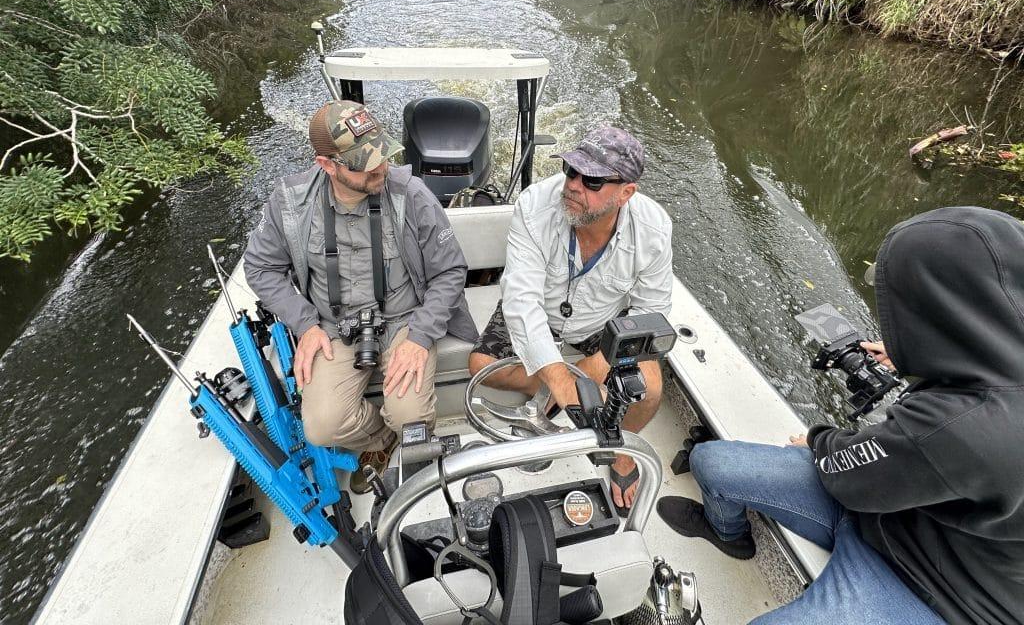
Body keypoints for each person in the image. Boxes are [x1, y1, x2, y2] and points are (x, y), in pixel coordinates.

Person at [658, 206, 1024, 625]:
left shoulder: (963, 428)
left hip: (938, 587)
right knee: (712, 462)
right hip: (892, 508)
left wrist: (818, 441)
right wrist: (915, 354)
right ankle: (731, 538)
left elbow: (849, 471)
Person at [244, 100, 478, 493]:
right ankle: (379, 441)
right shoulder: (290, 203)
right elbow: (261, 268)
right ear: (326, 165)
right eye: (363, 164)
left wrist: (420, 337)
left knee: (411, 417)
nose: (379, 168)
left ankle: (403, 437)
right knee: (320, 426)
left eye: (381, 156)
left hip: (405, 320)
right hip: (332, 328)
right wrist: (304, 325)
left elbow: (450, 271)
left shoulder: (411, 194)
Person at [468, 126, 673, 513]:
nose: (574, 185)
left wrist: (595, 364)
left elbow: (651, 315)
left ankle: (622, 450)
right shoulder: (534, 205)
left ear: (626, 192)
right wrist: (562, 378)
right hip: (540, 313)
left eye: (592, 180)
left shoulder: (655, 229)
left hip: (601, 324)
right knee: (480, 365)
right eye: (571, 171)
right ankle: (550, 389)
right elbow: (521, 299)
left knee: (649, 387)